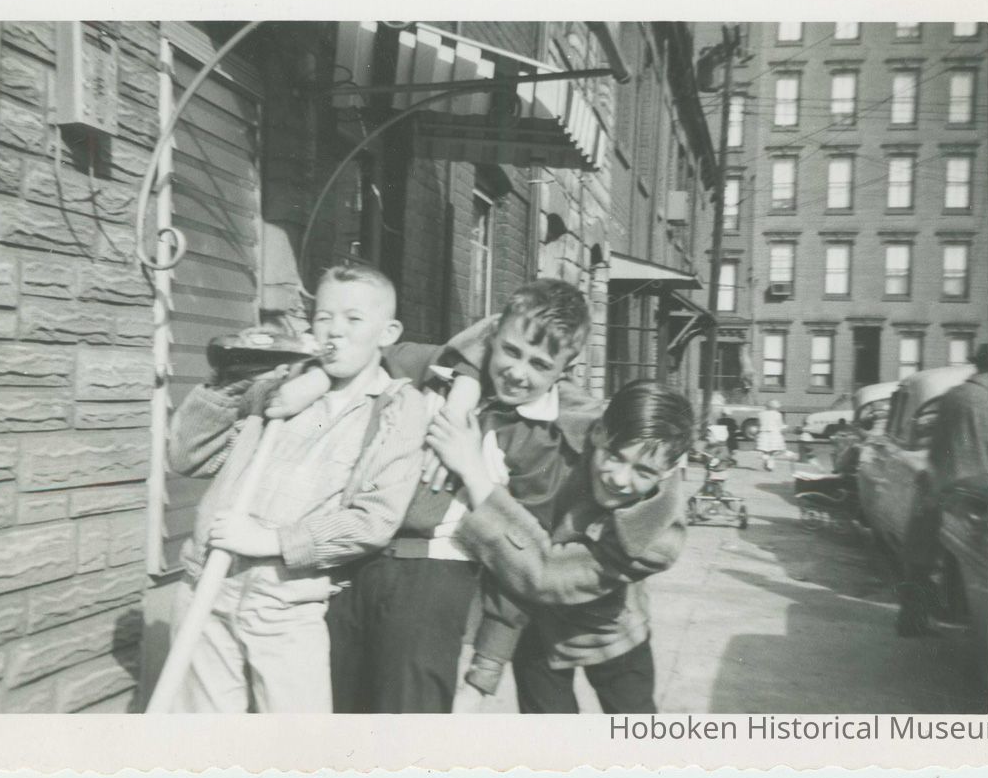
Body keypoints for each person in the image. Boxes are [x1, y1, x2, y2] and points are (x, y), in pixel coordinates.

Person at [327, 279, 601, 713]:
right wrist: (464, 386)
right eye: (511, 351)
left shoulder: (545, 444)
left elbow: (519, 564)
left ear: (563, 372)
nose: (518, 372)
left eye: (540, 364)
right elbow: (369, 353)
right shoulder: (438, 373)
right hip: (351, 558)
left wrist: (485, 671)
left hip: (433, 575)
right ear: (492, 339)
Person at [163, 264, 429, 712]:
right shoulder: (282, 384)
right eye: (324, 317)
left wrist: (271, 540)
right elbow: (187, 455)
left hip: (285, 605)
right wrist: (233, 378)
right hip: (205, 584)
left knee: (296, 754)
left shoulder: (395, 409)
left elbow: (375, 520)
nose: (335, 332)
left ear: (389, 332)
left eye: (353, 319)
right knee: (201, 752)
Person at [427, 380, 693, 713]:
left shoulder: (657, 538)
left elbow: (545, 575)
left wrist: (472, 470)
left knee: (638, 736)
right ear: (599, 432)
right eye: (614, 456)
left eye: (643, 471)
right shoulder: (569, 412)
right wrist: (460, 401)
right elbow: (514, 341)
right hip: (538, 629)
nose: (620, 479)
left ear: (668, 470)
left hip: (612, 634)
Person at [897, 344, 988, 637]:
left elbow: (938, 447)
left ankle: (913, 620)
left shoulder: (954, 396)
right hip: (975, 497)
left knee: (921, 561)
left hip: (938, 489)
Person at [756, 399, 786, 472]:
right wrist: (783, 429)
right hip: (774, 433)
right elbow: (780, 425)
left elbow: (758, 424)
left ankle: (766, 459)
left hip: (763, 432)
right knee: (772, 451)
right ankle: (770, 465)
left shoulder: (761, 414)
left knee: (765, 450)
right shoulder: (778, 414)